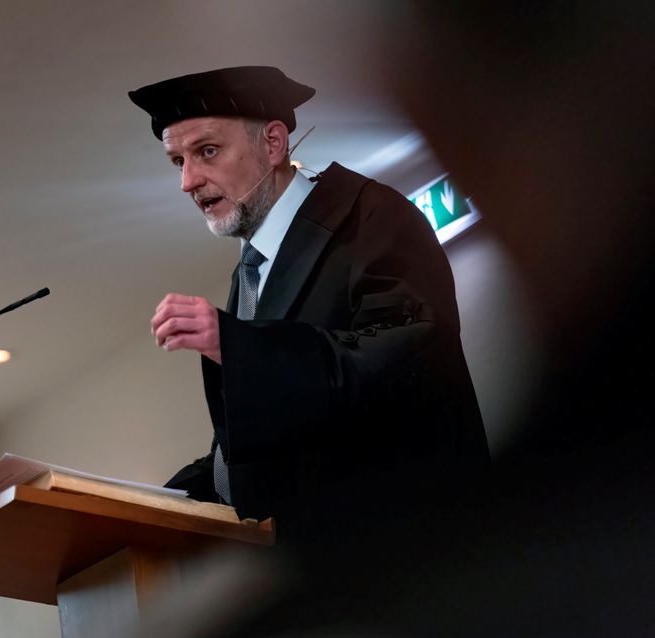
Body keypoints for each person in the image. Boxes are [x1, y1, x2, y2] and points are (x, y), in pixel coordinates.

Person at [129, 66, 490, 544]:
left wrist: (238, 345)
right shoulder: (251, 272)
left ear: (274, 143)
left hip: (419, 546)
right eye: (178, 161)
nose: (188, 181)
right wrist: (151, 503)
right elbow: (268, 438)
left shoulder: (372, 217)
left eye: (207, 151)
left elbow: (404, 370)